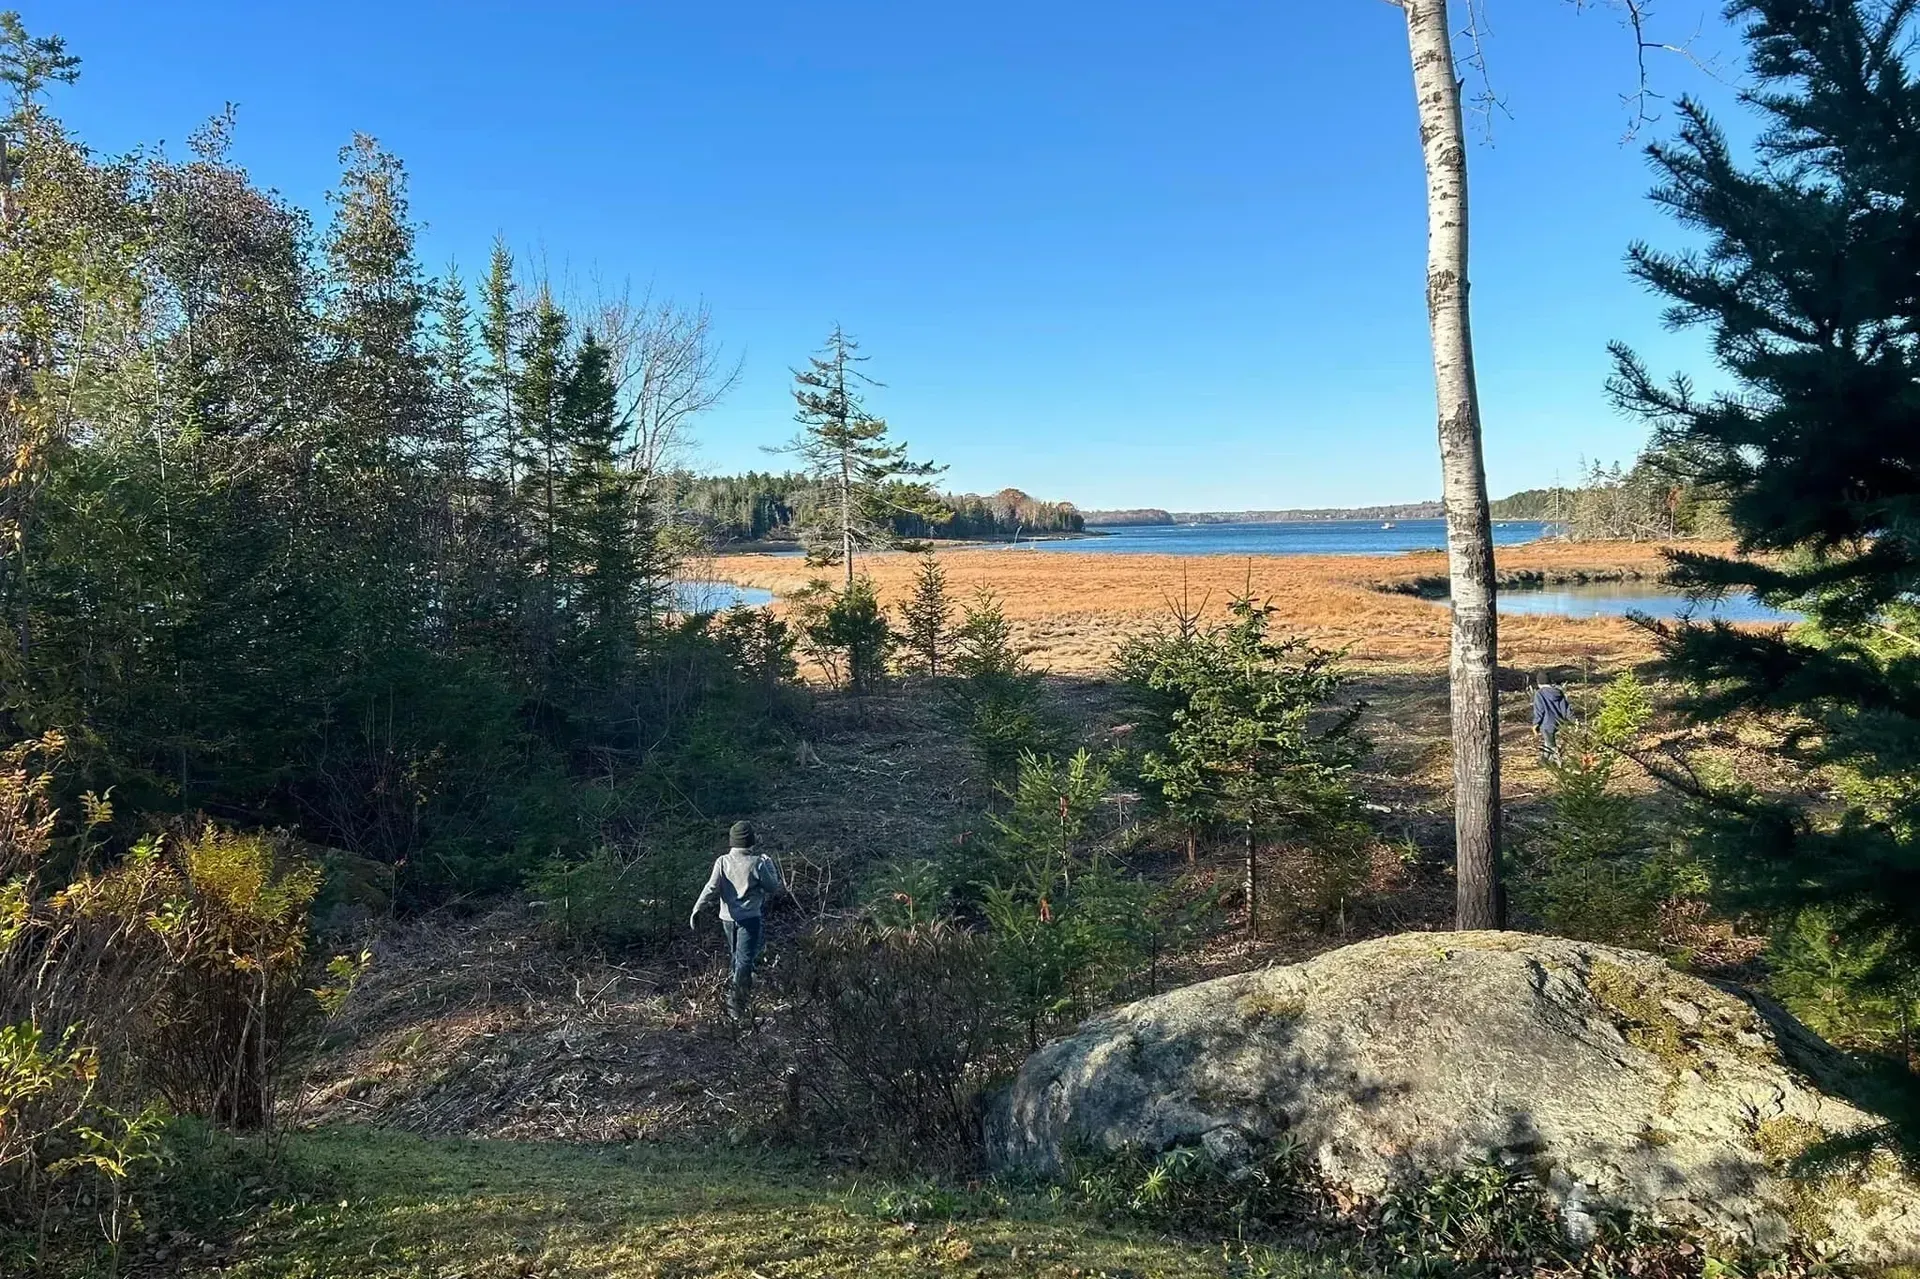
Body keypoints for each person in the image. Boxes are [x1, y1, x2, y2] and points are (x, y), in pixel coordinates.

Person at [690, 820, 784, 1023]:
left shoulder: (722, 861)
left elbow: (711, 887)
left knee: (737, 958)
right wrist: (770, 865)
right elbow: (772, 886)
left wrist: (697, 907)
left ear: (732, 841)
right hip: (749, 919)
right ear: (751, 841)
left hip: (727, 919)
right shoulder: (758, 862)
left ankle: (738, 998)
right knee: (744, 962)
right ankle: (735, 1008)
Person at [1530, 676, 1574, 764]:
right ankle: (1543, 761)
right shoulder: (1559, 693)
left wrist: (1536, 724)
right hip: (1559, 722)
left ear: (1539, 683)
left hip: (1546, 724)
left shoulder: (1539, 694)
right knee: (1548, 742)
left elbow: (1539, 710)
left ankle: (1559, 762)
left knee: (1551, 745)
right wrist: (1573, 720)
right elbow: (1565, 708)